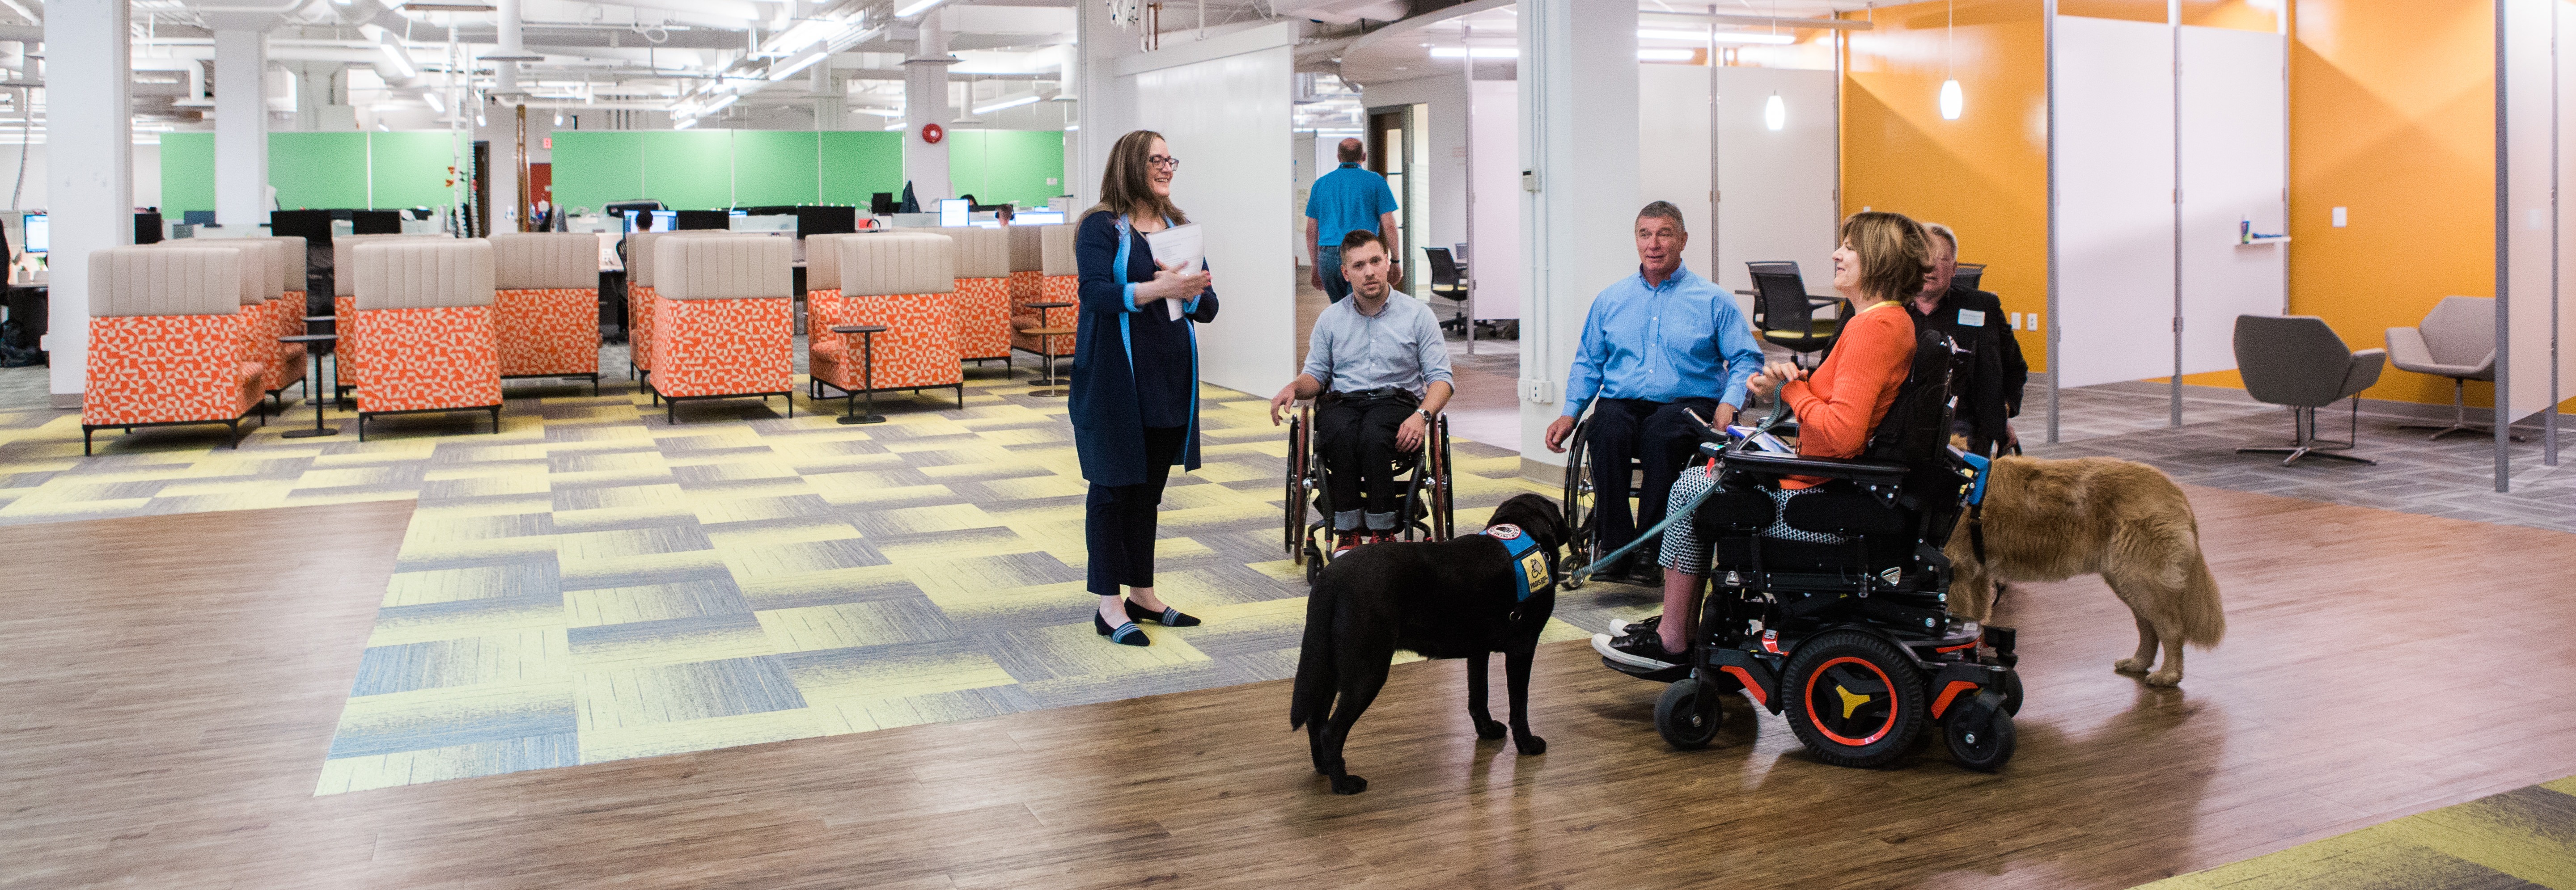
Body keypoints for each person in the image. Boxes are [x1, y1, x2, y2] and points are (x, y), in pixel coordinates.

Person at [1595, 211, 1931, 671]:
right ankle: (1680, 624)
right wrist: (1798, 386)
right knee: (1706, 473)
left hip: (1817, 504)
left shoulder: (1874, 328)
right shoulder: (1882, 322)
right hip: (1825, 484)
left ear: (1878, 259)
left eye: (1849, 247)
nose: (1837, 253)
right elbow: (1844, 410)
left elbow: (1842, 433)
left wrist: (1789, 390)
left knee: (1693, 487)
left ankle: (1673, 639)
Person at [1542, 202, 1764, 588]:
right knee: (1605, 429)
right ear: (1637, 240)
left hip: (1687, 403)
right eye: (1645, 234)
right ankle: (1615, 544)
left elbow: (1746, 358)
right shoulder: (1611, 300)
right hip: (1623, 401)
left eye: (1664, 234)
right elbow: (1589, 363)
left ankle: (1650, 549)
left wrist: (1730, 402)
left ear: (1682, 240)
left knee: (1662, 435)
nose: (1654, 244)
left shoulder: (1713, 300)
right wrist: (1570, 412)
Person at [1073, 129, 1220, 648]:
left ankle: (1143, 593)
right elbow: (1094, 294)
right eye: (1156, 159)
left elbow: (1208, 304)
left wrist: (1190, 289)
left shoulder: (1178, 226)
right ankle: (1108, 605)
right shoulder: (1101, 226)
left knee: (1148, 492)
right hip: (1116, 380)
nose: (1166, 167)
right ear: (1132, 164)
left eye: (1170, 159)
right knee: (1113, 489)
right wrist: (1161, 287)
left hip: (1169, 376)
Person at [1269, 229, 1455, 548]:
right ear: (1345, 273)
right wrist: (1294, 387)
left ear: (1387, 263)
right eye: (1358, 265)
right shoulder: (1330, 320)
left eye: (1375, 261)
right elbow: (1315, 374)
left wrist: (1422, 416)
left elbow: (1442, 380)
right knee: (1339, 432)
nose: (1369, 271)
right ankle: (1348, 531)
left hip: (1395, 403)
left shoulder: (1418, 315)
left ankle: (1383, 532)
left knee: (1373, 434)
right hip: (1344, 403)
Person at [1908, 223, 2026, 456]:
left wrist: (2000, 413)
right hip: (1901, 419)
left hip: (1963, 421)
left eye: (1940, 259)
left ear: (1954, 269)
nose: (1930, 265)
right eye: (1922, 257)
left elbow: (2015, 366)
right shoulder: (1886, 307)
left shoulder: (1983, 308)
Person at [1305, 138, 1401, 303]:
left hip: (1328, 257)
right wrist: (1395, 261)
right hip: (1362, 255)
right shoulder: (1376, 181)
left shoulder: (1321, 184)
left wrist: (1315, 265)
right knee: (1364, 307)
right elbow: (1390, 226)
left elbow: (1311, 231)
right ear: (1364, 156)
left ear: (1338, 157)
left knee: (1340, 310)